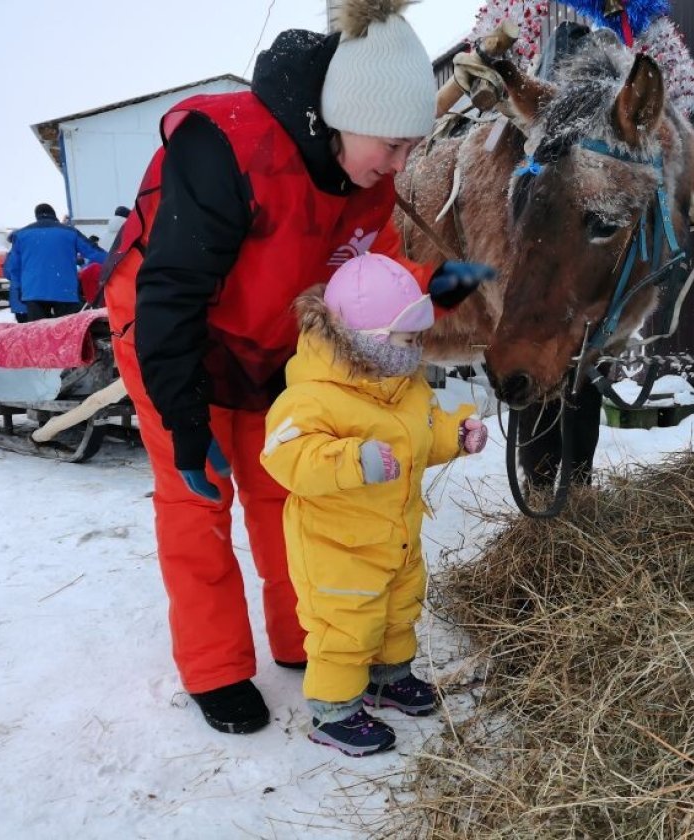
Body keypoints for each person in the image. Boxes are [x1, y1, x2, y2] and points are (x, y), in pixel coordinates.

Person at [101, 0, 494, 735]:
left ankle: (306, 638)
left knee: (288, 487)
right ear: (347, 111)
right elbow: (169, 292)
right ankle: (215, 666)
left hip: (271, 343)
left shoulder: (366, 174)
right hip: (169, 335)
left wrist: (435, 287)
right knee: (200, 498)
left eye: (416, 147)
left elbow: (365, 278)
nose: (402, 165)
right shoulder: (223, 149)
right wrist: (186, 422)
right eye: (395, 143)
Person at [261, 253, 488, 757]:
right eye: (406, 341)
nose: (416, 351)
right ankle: (333, 711)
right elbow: (284, 455)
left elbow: (421, 437)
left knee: (397, 609)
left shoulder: (404, 389)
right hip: (337, 547)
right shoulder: (313, 397)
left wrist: (456, 434)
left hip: (396, 536)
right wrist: (350, 460)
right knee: (346, 624)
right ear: (368, 341)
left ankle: (389, 678)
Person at [4, 203, 106, 320]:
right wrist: (115, 261)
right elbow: (93, 252)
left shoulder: (21, 235)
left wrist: (20, 289)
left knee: (40, 333)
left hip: (34, 293)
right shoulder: (70, 232)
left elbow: (12, 268)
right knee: (66, 332)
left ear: (37, 216)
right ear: (54, 215)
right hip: (65, 290)